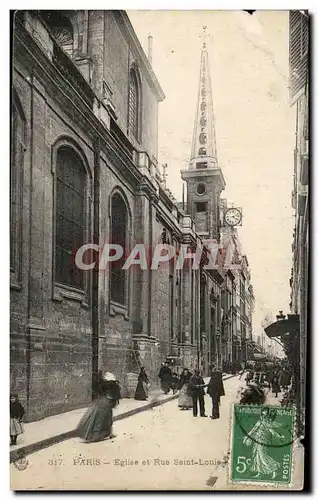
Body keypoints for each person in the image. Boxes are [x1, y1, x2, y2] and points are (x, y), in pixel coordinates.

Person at [76, 372, 121, 443]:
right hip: (106, 403)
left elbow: (100, 392)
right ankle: (106, 434)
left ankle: (93, 435)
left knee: (96, 418)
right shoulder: (114, 386)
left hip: (101, 402)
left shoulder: (105, 385)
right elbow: (115, 397)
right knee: (107, 419)